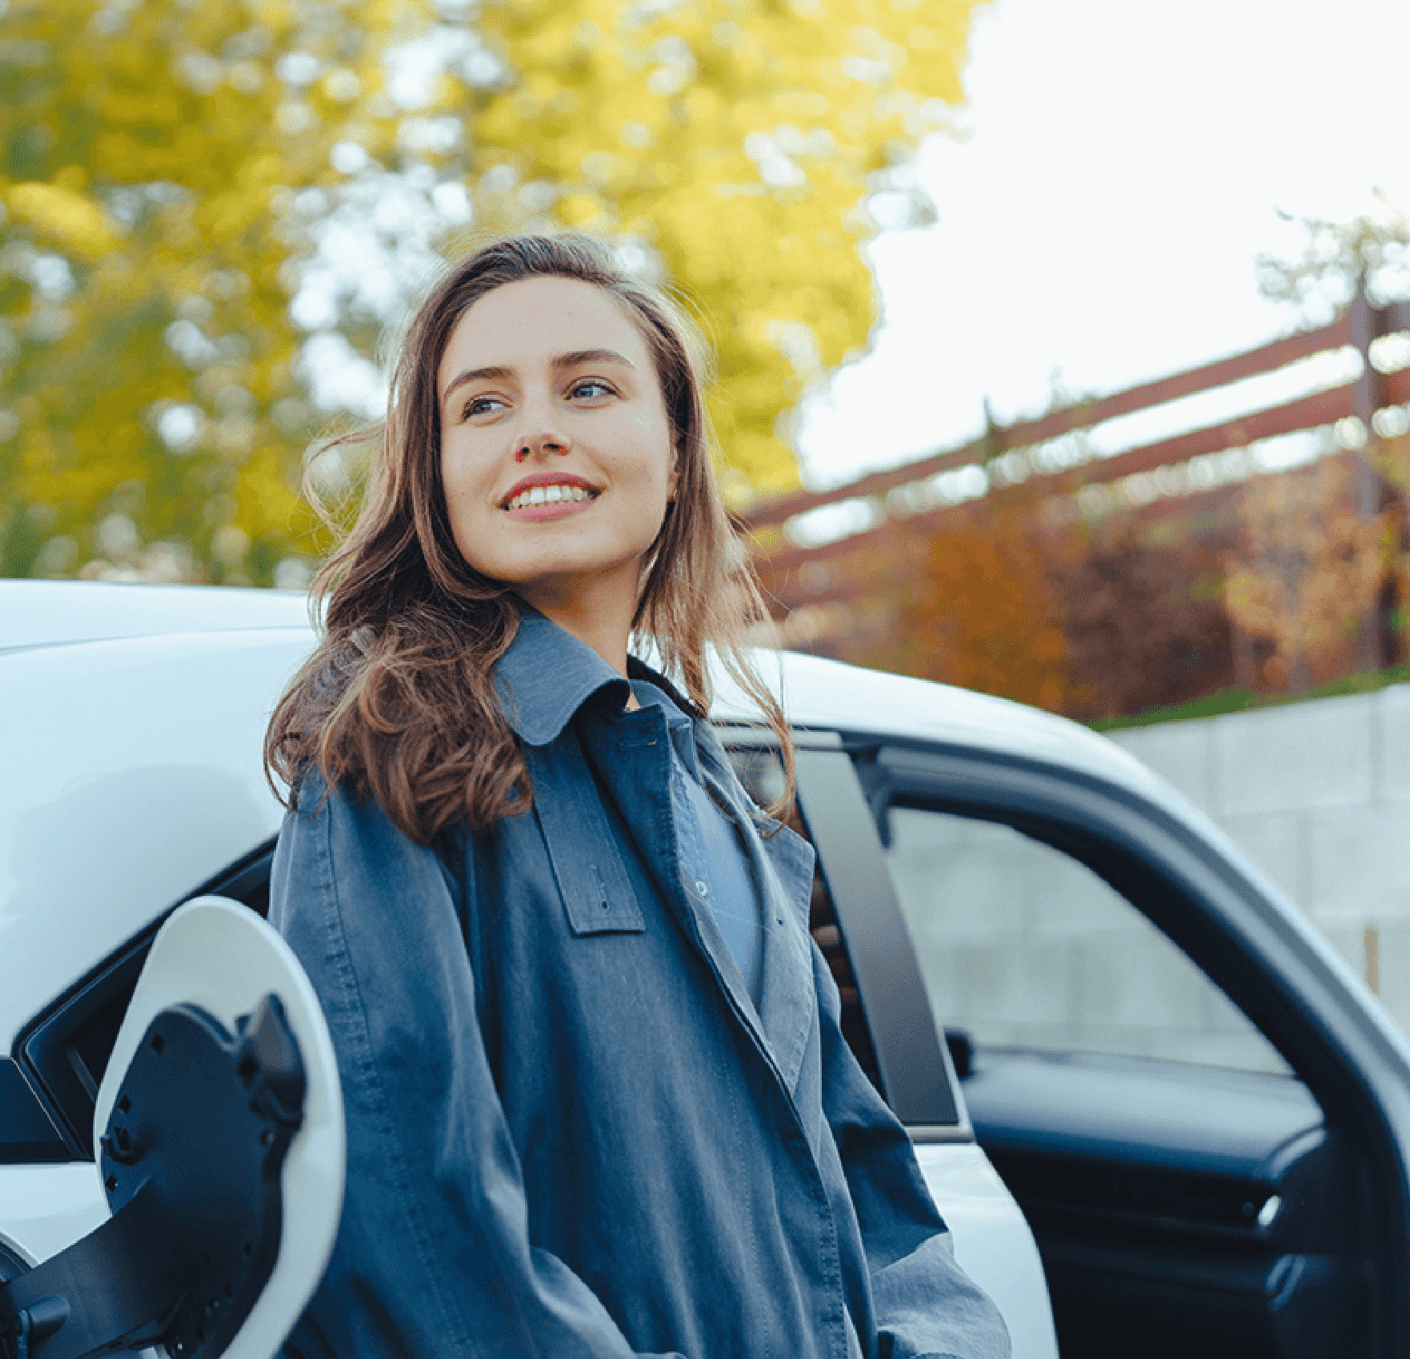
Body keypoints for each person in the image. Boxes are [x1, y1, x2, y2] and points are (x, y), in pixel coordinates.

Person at [262, 234, 1009, 1358]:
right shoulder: (390, 753)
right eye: (481, 407)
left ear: (674, 446)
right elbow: (407, 1221)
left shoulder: (721, 805)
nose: (536, 429)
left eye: (589, 386)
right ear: (435, 473)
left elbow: (862, 1171)